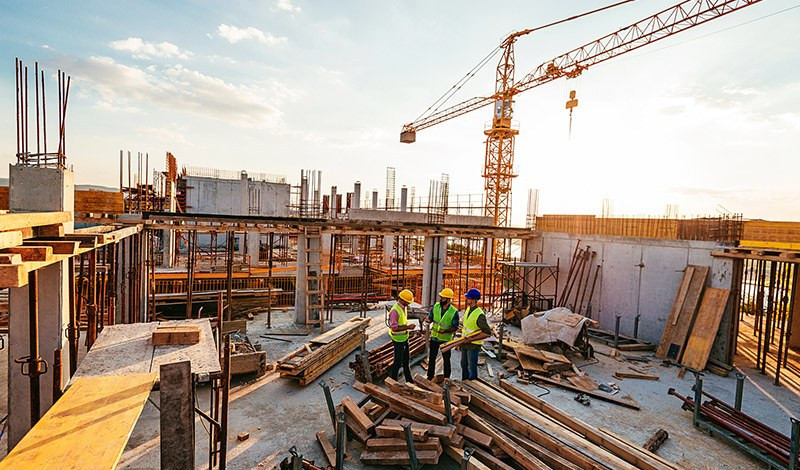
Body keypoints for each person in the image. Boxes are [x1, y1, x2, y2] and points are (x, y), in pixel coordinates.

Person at [423, 288, 459, 380]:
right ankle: (430, 376)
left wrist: (446, 331)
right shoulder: (436, 307)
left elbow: (455, 327)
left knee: (446, 360)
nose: (441, 299)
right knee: (432, 359)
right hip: (434, 337)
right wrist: (428, 320)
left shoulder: (454, 312)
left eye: (443, 297)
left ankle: (447, 378)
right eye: (441, 297)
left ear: (448, 299)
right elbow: (431, 317)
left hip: (445, 339)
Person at [460, 288, 492, 380]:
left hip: (473, 345)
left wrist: (471, 339)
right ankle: (465, 384)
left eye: (469, 298)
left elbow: (487, 333)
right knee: (464, 365)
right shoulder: (468, 309)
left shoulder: (479, 314)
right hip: (465, 343)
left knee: (472, 368)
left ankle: (472, 386)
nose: (467, 300)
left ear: (474, 300)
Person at [388, 288, 417, 382]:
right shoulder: (395, 311)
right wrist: (408, 327)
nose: (409, 304)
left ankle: (409, 379)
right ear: (403, 300)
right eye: (408, 302)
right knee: (397, 361)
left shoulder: (402, 308)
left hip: (404, 338)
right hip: (398, 340)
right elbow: (394, 328)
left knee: (406, 360)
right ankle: (393, 380)